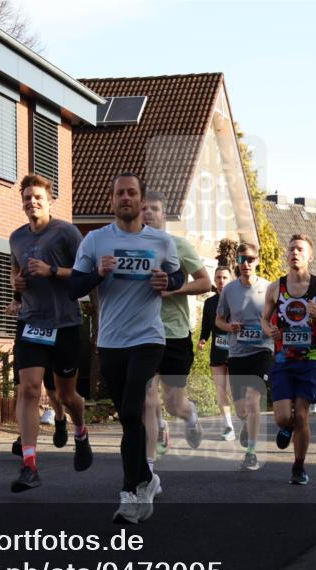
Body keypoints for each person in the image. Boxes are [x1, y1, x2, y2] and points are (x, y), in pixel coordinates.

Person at [68, 173, 183, 524]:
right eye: (120, 193)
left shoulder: (162, 242)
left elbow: (177, 276)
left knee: (133, 411)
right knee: (129, 418)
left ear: (143, 202)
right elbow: (73, 287)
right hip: (111, 341)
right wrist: (98, 277)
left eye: (132, 193)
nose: (126, 198)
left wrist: (169, 282)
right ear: (112, 201)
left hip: (148, 338)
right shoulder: (96, 241)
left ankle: (130, 493)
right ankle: (148, 478)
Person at [7, 174, 91, 492]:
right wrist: (16, 290)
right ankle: (29, 465)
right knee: (28, 390)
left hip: (66, 323)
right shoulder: (16, 237)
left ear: (49, 200)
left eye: (38, 197)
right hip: (31, 322)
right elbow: (17, 272)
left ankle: (80, 430)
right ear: (23, 202)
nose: (32, 202)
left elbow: (87, 272)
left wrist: (53, 271)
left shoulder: (66, 232)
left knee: (66, 396)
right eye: (27, 197)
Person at [142, 191, 211, 465]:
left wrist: (175, 289)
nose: (148, 213)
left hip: (175, 333)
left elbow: (205, 282)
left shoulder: (179, 246)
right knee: (146, 395)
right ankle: (150, 458)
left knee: (173, 403)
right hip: (143, 333)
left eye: (154, 209)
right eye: (144, 209)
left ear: (164, 214)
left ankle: (190, 415)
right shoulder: (132, 248)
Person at [262, 234, 316, 485]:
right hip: (283, 359)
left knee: (302, 415)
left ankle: (299, 466)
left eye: (300, 249)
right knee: (283, 417)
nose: (295, 253)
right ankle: (286, 427)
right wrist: (268, 329)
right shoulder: (275, 288)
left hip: (312, 360)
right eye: (291, 249)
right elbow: (264, 318)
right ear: (287, 254)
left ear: (310, 256)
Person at [215, 242, 273, 472]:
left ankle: (251, 452)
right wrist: (229, 327)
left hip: (262, 351)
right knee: (240, 410)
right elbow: (218, 320)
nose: (245, 264)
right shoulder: (229, 290)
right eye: (241, 260)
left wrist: (271, 330)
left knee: (253, 400)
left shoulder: (269, 288)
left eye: (250, 259)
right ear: (236, 263)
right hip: (238, 353)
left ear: (257, 261)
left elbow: (278, 318)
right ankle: (247, 426)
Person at [198, 265, 236, 440]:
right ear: (215, 281)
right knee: (220, 390)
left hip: (237, 351)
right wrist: (203, 339)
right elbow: (206, 326)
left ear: (231, 280)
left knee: (232, 389)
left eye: (224, 278)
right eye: (218, 278)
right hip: (218, 352)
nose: (221, 281)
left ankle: (243, 420)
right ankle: (228, 426)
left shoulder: (239, 300)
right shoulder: (210, 303)